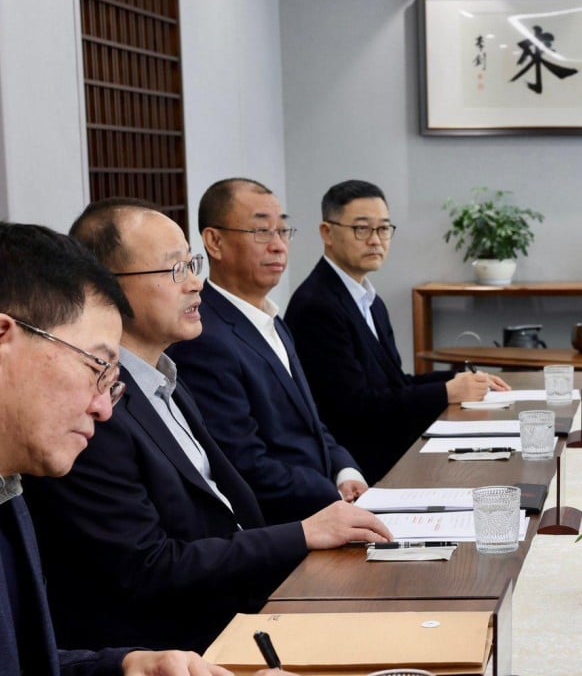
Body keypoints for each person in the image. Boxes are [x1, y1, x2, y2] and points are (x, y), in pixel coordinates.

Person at [21, 201, 392, 653]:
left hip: (249, 601)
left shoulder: (167, 379)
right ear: (107, 288)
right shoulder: (98, 411)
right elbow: (147, 567)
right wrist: (302, 534)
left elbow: (228, 509)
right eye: (175, 269)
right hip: (182, 644)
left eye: (192, 264)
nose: (196, 282)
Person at [0, 221, 238, 676]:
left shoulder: (10, 487)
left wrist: (129, 665)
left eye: (111, 381)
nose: (103, 408)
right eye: (96, 367)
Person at [168, 178, 367, 524]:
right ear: (215, 242)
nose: (278, 246)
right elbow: (244, 464)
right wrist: (331, 495)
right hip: (285, 528)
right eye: (261, 231)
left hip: (327, 505)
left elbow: (310, 423)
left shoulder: (271, 317)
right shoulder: (204, 338)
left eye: (283, 231)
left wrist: (344, 471)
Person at [284, 180, 507, 482]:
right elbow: (354, 409)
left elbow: (395, 384)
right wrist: (446, 392)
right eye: (362, 229)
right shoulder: (317, 305)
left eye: (384, 229)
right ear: (327, 233)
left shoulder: (370, 301)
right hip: (361, 468)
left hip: (393, 449)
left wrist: (459, 380)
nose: (376, 240)